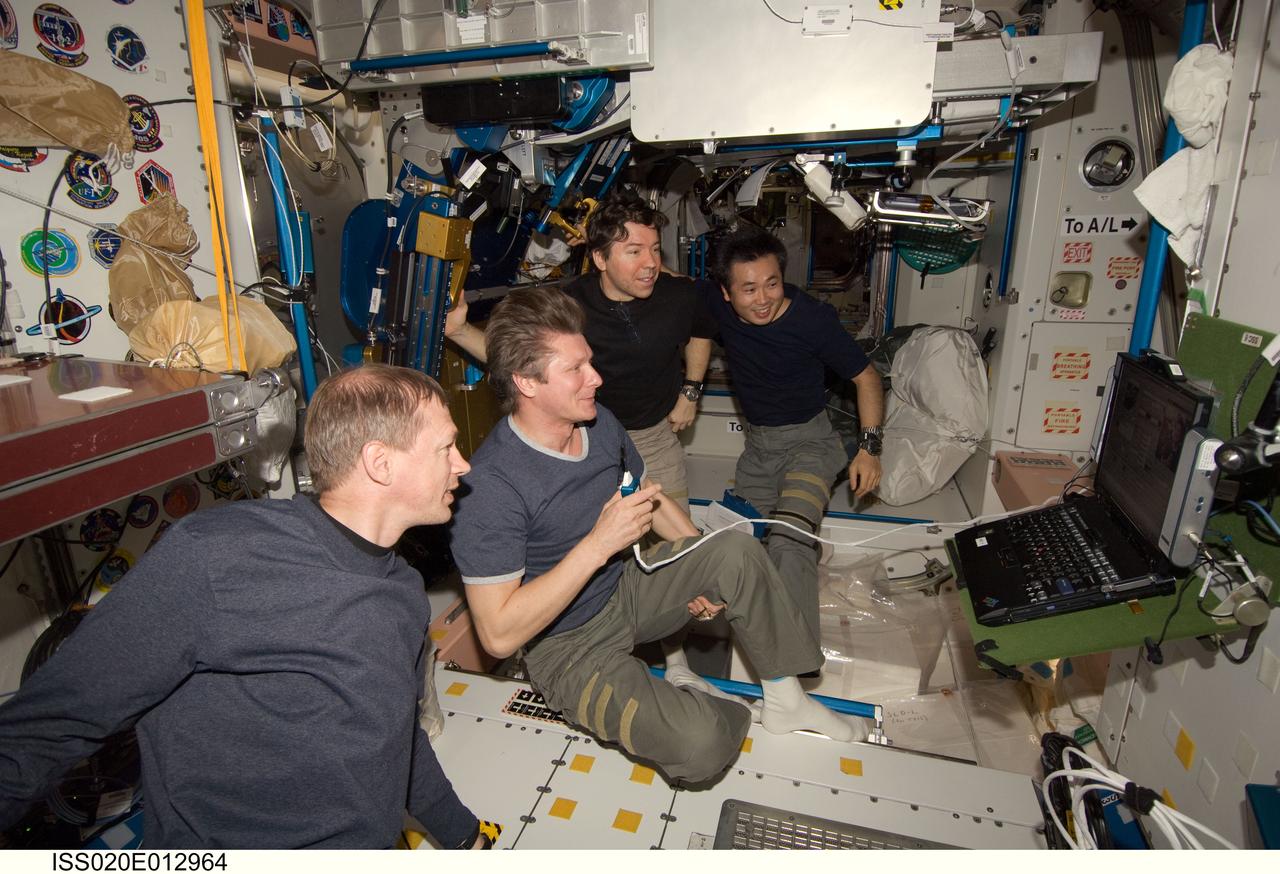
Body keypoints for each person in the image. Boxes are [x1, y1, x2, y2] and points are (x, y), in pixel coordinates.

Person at [0, 365, 489, 849]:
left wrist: (464, 836)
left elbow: (397, 733)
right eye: (446, 447)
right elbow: (51, 723)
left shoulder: (402, 589)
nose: (463, 464)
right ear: (380, 463)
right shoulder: (215, 558)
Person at [449, 287, 868, 785]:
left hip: (625, 588)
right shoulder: (492, 487)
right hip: (565, 646)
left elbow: (652, 497)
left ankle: (786, 699)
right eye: (576, 369)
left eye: (590, 362)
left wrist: (701, 563)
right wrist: (598, 545)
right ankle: (704, 706)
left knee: (734, 549)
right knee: (701, 747)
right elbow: (498, 635)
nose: (596, 378)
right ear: (526, 382)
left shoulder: (599, 424)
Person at [444, 191, 713, 514]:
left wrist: (691, 391)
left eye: (655, 249)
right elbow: (517, 357)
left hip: (653, 440)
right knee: (600, 538)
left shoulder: (678, 296)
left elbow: (701, 328)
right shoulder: (568, 304)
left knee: (679, 538)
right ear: (600, 259)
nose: (652, 263)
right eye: (634, 251)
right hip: (583, 441)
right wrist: (459, 330)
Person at [706, 228, 885, 647]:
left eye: (772, 284)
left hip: (811, 446)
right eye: (749, 289)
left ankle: (797, 663)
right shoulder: (714, 305)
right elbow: (667, 284)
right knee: (737, 543)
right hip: (758, 451)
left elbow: (867, 377)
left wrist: (870, 448)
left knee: (789, 540)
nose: (763, 299)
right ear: (726, 293)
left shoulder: (813, 320)